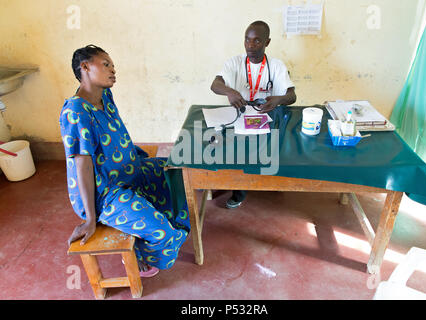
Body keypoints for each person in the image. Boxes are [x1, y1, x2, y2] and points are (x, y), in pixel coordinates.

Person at [60, 45, 190, 277]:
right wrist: (90, 219)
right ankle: (142, 252)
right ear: (85, 66)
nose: (113, 70)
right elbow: (83, 165)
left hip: (129, 171)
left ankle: (152, 224)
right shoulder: (76, 111)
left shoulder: (105, 96)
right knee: (163, 233)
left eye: (113, 66)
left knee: (172, 170)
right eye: (106, 64)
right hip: (106, 192)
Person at [210, 21, 296, 209]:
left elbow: (292, 96)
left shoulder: (276, 65)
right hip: (239, 113)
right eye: (247, 40)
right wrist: (230, 92)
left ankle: (269, 183)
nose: (250, 45)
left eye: (257, 41)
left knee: (274, 148)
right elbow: (215, 84)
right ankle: (239, 190)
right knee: (232, 150)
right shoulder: (234, 63)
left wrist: (278, 100)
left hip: (266, 115)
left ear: (267, 42)